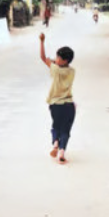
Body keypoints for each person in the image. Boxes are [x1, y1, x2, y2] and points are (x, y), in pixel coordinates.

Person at [38, 33, 76, 164]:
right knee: (66, 130)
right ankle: (61, 152)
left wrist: (42, 41)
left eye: (58, 57)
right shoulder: (72, 71)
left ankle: (55, 144)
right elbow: (59, 64)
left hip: (55, 105)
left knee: (56, 127)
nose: (56, 59)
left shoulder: (55, 69)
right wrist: (56, 62)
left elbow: (43, 57)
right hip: (69, 105)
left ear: (64, 60)